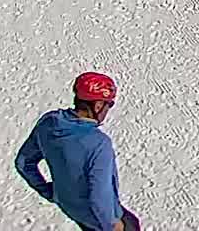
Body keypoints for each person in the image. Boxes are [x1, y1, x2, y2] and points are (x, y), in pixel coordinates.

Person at [16, 71, 137, 231]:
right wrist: (112, 226)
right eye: (109, 104)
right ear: (98, 105)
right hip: (99, 220)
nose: (108, 109)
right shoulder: (98, 144)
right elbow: (98, 197)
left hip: (71, 208)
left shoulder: (49, 122)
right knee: (131, 223)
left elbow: (23, 162)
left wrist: (49, 191)